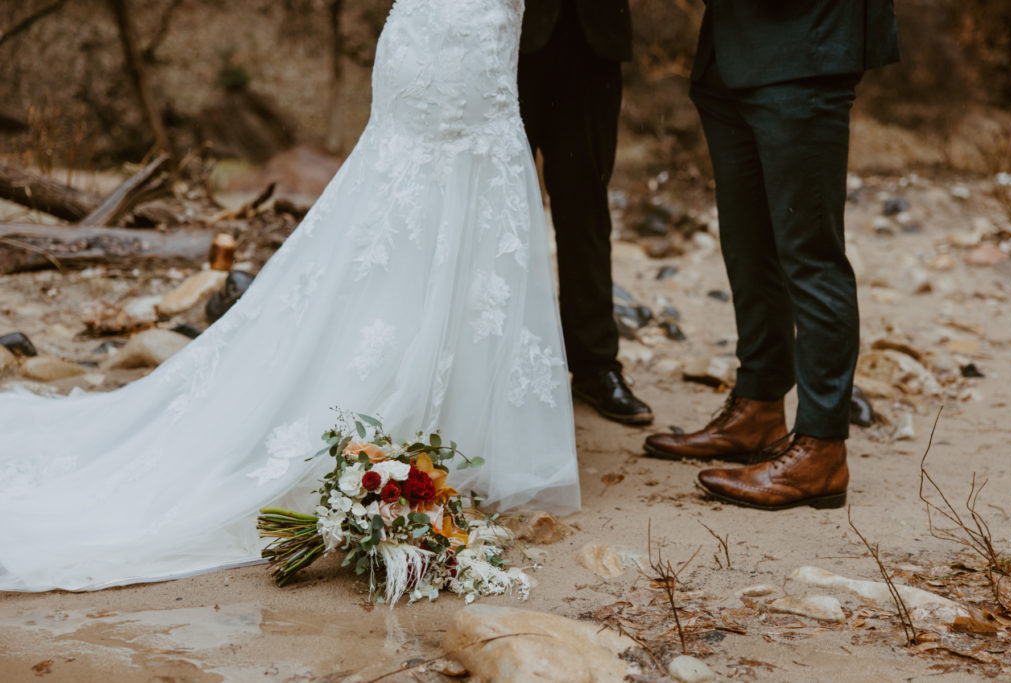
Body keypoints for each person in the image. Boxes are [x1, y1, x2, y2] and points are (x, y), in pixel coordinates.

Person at [0, 0, 581, 592]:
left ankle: (445, 427)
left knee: (456, 213)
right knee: (405, 215)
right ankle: (382, 425)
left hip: (477, 48)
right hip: (444, 46)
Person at [644, 1, 899, 510]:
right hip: (730, 52)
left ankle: (822, 447)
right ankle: (758, 407)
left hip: (805, 46)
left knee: (810, 255)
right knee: (748, 244)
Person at [518, 0, 653, 426]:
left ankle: (595, 366)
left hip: (593, 38)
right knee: (498, 207)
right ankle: (501, 364)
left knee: (586, 210)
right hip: (506, 39)